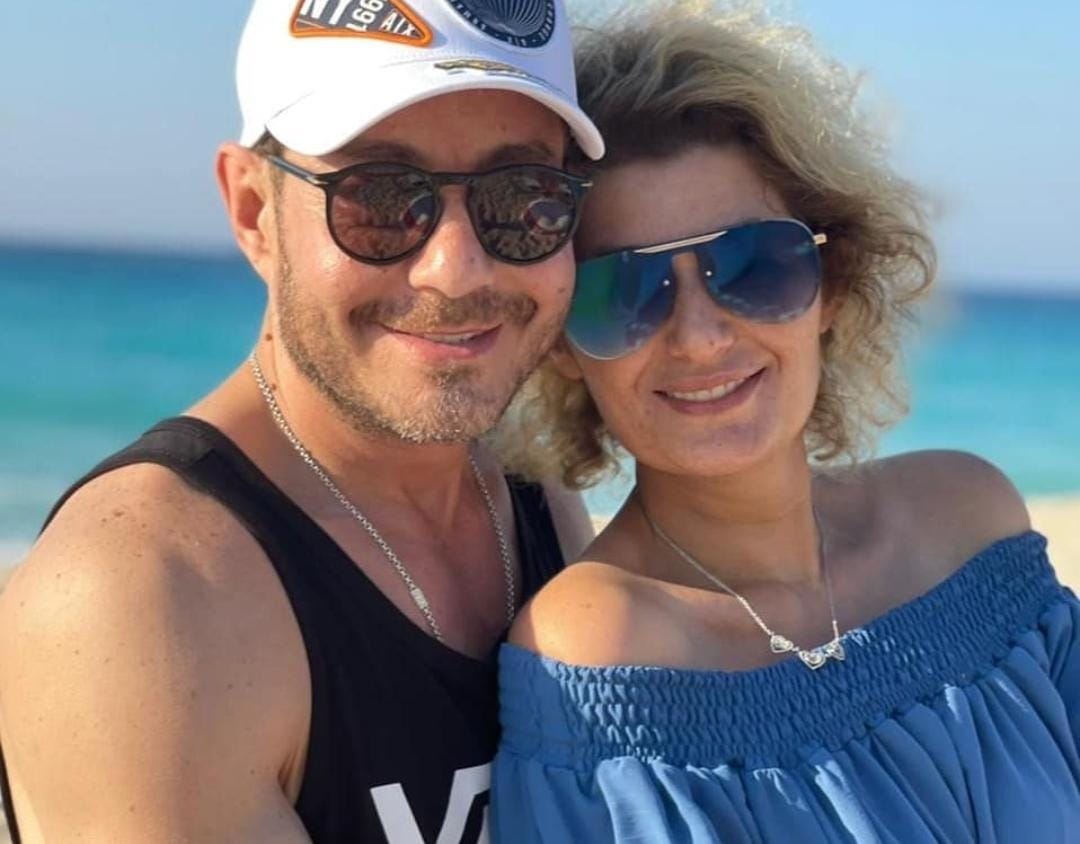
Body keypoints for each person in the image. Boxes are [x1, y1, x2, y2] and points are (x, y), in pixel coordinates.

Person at [0, 0, 606, 841]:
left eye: (522, 198)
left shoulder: (529, 496)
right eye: (381, 198)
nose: (456, 269)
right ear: (253, 210)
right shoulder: (151, 597)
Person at [490, 2, 1080, 841]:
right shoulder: (598, 653)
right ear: (558, 341)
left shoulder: (970, 525)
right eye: (624, 292)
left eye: (753, 266)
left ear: (832, 283)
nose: (700, 338)